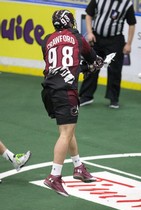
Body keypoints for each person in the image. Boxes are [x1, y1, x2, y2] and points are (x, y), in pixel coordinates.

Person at [41, 10, 104, 197]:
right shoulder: (76, 37)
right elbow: (92, 58)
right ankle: (54, 176)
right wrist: (94, 65)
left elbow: (59, 65)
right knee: (66, 133)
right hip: (66, 91)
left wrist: (85, 67)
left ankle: (78, 167)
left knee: (67, 131)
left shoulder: (46, 40)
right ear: (69, 22)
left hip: (49, 90)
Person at [79, 0, 137, 109]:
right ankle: (86, 96)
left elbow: (132, 24)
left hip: (115, 40)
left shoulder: (127, 4)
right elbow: (89, 14)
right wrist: (90, 32)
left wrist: (129, 44)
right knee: (92, 66)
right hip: (97, 38)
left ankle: (113, 99)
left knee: (114, 70)